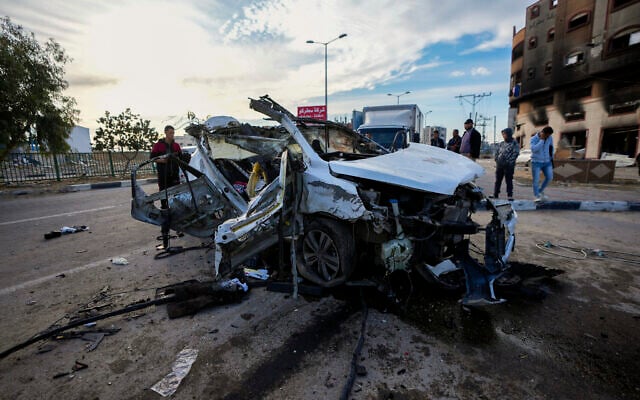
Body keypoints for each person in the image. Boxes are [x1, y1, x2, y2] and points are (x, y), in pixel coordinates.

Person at [151, 125, 183, 206]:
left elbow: (181, 157)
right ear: (165, 132)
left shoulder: (176, 145)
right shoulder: (158, 145)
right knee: (163, 194)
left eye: (173, 133)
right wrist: (162, 160)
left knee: (177, 194)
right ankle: (164, 208)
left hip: (174, 174)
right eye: (170, 133)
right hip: (163, 175)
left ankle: (178, 210)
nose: (172, 135)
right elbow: (152, 158)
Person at [491, 128, 519, 201]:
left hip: (509, 166)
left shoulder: (514, 143)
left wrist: (509, 162)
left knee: (509, 180)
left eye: (505, 134)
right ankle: (495, 194)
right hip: (500, 165)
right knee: (498, 180)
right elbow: (497, 152)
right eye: (503, 134)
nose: (503, 136)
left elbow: (515, 153)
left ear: (509, 134)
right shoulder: (501, 143)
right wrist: (497, 159)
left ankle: (510, 195)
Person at [530, 126, 554, 202]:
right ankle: (536, 196)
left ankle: (540, 191)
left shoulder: (550, 138)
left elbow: (551, 147)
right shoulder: (533, 139)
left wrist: (551, 157)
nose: (548, 137)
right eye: (547, 135)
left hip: (547, 162)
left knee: (549, 177)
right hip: (536, 162)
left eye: (549, 135)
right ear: (543, 133)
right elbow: (534, 149)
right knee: (536, 180)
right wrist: (542, 140)